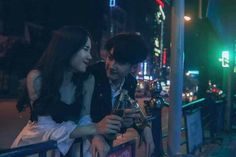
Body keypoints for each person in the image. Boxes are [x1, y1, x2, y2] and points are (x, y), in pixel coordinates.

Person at [12, 26, 122, 157]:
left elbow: (84, 118)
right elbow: (45, 128)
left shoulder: (87, 80)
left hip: (66, 148)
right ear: (68, 49)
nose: (89, 56)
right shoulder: (37, 78)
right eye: (86, 49)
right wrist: (96, 128)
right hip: (35, 146)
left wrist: (96, 135)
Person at [89, 33, 155, 156]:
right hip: (79, 145)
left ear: (133, 67)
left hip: (105, 146)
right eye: (110, 57)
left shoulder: (130, 82)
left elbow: (131, 109)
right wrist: (95, 134)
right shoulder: (92, 75)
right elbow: (77, 116)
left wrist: (145, 128)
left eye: (121, 62)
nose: (112, 65)